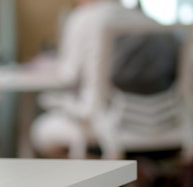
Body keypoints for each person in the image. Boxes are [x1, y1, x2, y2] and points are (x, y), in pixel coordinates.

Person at [30, 0, 162, 158]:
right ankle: (130, 176)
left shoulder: (84, 17)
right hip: (160, 121)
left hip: (102, 123)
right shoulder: (146, 20)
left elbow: (68, 75)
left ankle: (91, 177)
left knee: (40, 130)